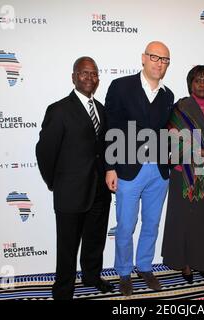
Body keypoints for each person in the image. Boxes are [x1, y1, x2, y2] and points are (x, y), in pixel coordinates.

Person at [36, 57, 113, 299]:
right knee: (68, 246)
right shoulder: (58, 110)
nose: (90, 78)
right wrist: (55, 183)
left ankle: (91, 276)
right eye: (84, 73)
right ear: (73, 77)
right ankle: (63, 289)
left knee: (95, 240)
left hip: (99, 190)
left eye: (94, 74)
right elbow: (45, 152)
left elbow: (104, 147)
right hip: (70, 191)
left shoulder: (101, 109)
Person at [104, 41, 174, 296]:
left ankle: (144, 265)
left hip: (159, 171)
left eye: (165, 60)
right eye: (155, 57)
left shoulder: (168, 95)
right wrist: (110, 167)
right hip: (128, 169)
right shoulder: (121, 86)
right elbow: (111, 127)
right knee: (125, 225)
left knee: (152, 223)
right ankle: (123, 271)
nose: (159, 63)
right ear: (143, 58)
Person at [161, 65, 204, 283]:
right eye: (197, 80)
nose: (202, 84)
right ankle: (186, 264)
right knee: (185, 222)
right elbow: (170, 140)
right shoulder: (180, 108)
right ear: (190, 83)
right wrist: (198, 152)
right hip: (185, 177)